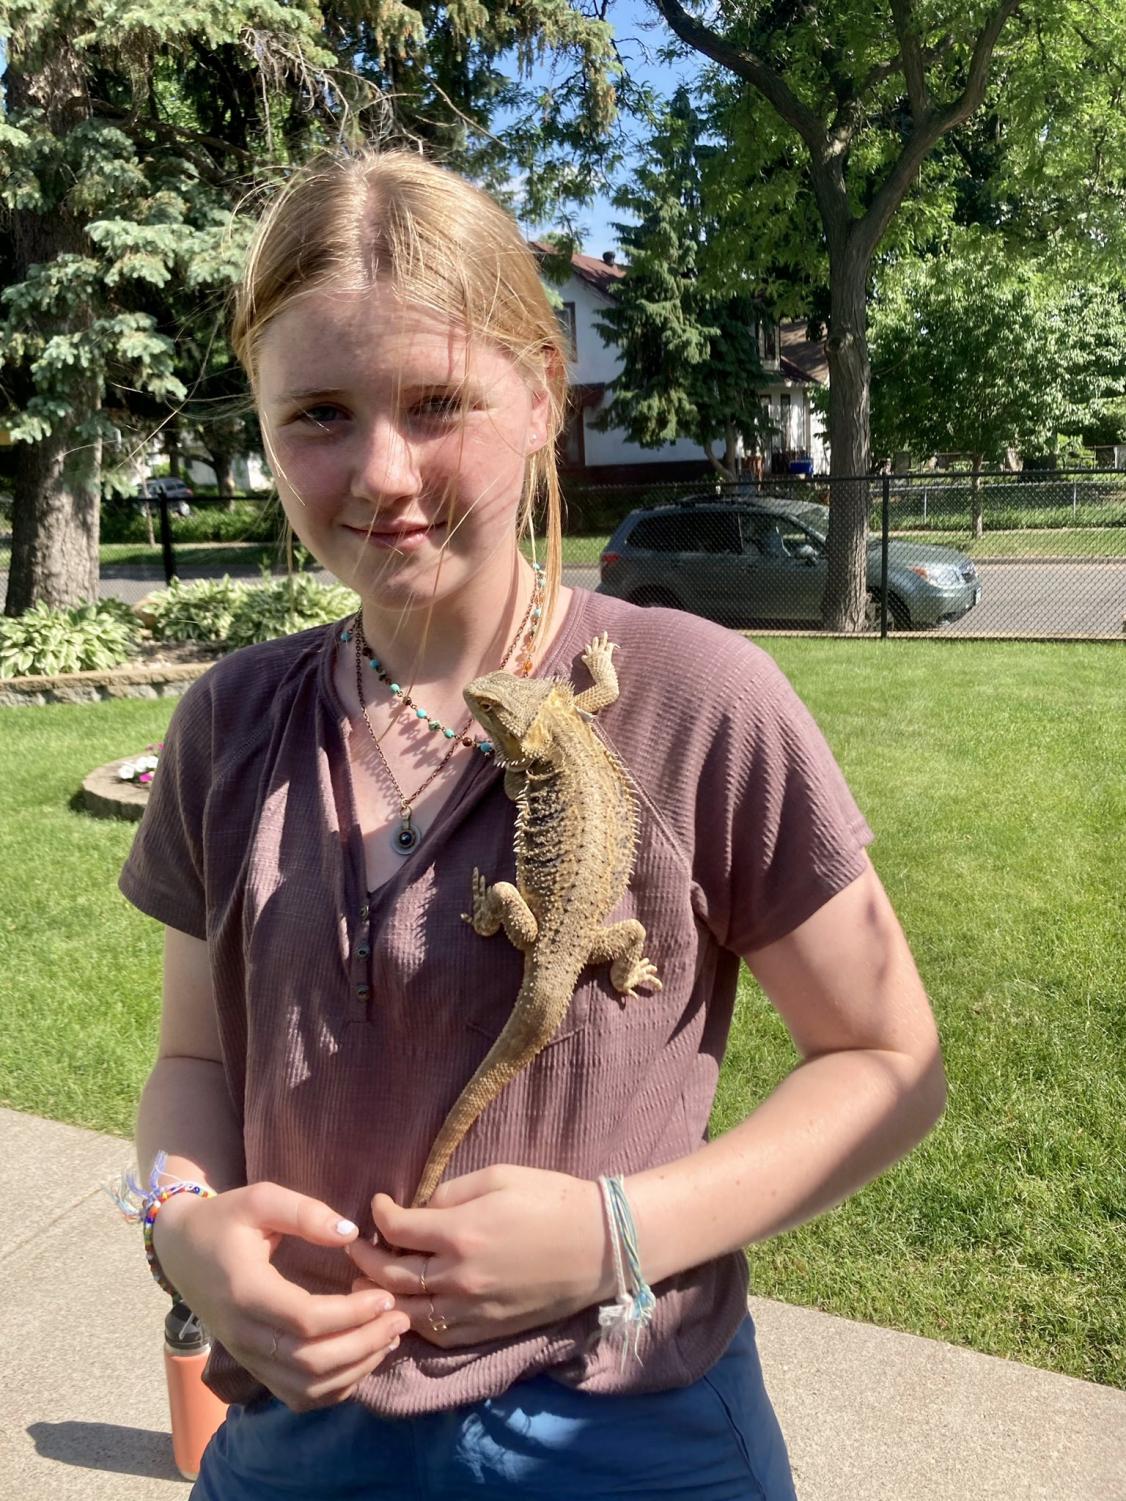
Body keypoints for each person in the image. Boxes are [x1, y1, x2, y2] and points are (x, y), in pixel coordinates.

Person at [120, 150, 946, 1500]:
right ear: (264, 429)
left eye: (436, 400)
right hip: (293, 1431)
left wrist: (615, 1232)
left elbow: (887, 1056)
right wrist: (183, 1224)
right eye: (317, 413)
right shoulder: (231, 721)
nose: (382, 471)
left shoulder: (693, 694)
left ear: (541, 395)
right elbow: (189, 1061)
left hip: (621, 1428)